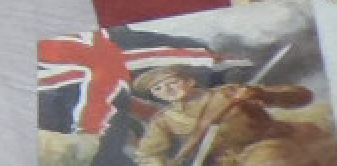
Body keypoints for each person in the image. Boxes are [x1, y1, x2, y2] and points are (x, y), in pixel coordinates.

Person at [129, 64, 337, 166]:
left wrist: (261, 93)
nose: (168, 90)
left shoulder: (229, 93)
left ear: (189, 81)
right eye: (158, 89)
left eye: (171, 82)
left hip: (267, 148)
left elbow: (302, 97)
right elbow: (148, 155)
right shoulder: (163, 121)